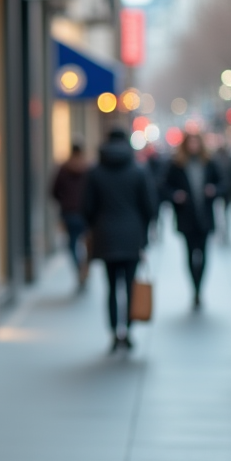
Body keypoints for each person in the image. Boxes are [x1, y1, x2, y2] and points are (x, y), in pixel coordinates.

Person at [83, 128, 156, 352]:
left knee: (112, 286)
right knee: (130, 285)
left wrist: (97, 225)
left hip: (106, 236)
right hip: (132, 236)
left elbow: (86, 208)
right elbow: (150, 207)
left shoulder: (95, 171)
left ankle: (115, 333)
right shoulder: (138, 170)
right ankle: (129, 331)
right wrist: (143, 234)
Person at [164, 132, 222, 309]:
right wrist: (175, 195)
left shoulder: (209, 163)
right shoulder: (177, 164)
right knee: (190, 254)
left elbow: (223, 184)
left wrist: (214, 190)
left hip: (204, 216)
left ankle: (199, 287)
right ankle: (194, 287)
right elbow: (164, 186)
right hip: (186, 217)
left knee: (203, 254)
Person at [51, 143, 90, 289]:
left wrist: (64, 201)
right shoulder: (88, 168)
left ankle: (79, 267)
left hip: (69, 213)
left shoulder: (64, 168)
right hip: (85, 213)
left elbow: (54, 191)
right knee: (87, 244)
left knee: (72, 244)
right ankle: (84, 267)